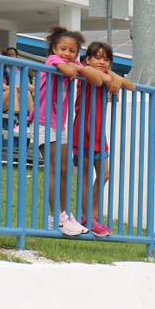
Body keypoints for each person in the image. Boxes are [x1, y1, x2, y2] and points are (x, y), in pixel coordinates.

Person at [34, 27, 109, 236]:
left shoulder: (73, 63)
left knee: (65, 169)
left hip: (59, 123)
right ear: (54, 49)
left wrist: (81, 68)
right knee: (55, 167)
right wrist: (78, 67)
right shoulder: (51, 61)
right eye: (63, 49)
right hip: (43, 120)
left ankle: (59, 216)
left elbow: (96, 79)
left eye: (73, 51)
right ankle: (60, 216)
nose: (67, 54)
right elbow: (68, 71)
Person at [71, 41, 134, 236]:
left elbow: (131, 86)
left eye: (107, 60)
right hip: (84, 131)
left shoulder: (105, 74)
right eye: (97, 58)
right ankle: (90, 217)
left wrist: (117, 79)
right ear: (87, 59)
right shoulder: (85, 72)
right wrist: (114, 79)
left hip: (99, 133)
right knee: (85, 175)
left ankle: (92, 217)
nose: (102, 62)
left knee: (105, 175)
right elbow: (99, 79)